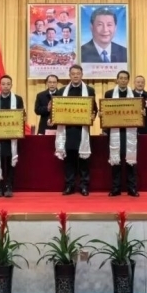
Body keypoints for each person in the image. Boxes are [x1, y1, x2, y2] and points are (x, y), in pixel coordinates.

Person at [55, 65, 97, 196]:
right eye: (73, 74)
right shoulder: (62, 91)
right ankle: (69, 185)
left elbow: (94, 109)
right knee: (69, 159)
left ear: (82, 75)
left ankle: (84, 186)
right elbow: (58, 110)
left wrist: (93, 115)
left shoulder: (89, 90)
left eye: (78, 73)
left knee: (84, 160)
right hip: (67, 131)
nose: (75, 76)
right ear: (69, 75)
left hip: (82, 130)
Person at [103, 71, 140, 197]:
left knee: (131, 160)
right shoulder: (109, 94)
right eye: (121, 78)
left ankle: (132, 188)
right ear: (117, 80)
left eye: (125, 78)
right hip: (114, 131)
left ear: (128, 80)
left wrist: (142, 113)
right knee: (116, 161)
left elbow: (139, 113)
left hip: (130, 131)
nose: (123, 80)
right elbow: (105, 111)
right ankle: (115, 188)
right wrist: (102, 115)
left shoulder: (135, 95)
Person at [0, 75, 26, 198]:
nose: (5, 86)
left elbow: (22, 115)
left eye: (8, 84)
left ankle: (9, 187)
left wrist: (23, 118)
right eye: (3, 84)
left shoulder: (18, 99)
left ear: (11, 85)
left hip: (12, 137)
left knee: (11, 163)